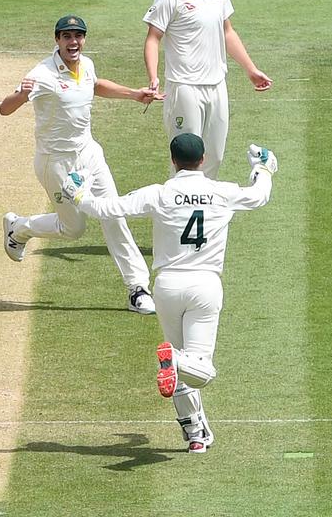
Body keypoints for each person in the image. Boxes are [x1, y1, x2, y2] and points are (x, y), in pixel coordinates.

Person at [61, 134, 278, 454]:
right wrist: (263, 168)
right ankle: (174, 360)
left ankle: (196, 435)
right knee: (199, 367)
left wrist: (78, 195)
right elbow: (259, 196)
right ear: (203, 160)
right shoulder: (222, 192)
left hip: (166, 287)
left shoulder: (158, 194)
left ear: (173, 160)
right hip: (205, 286)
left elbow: (108, 208)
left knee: (187, 366)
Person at [0, 15, 160, 315]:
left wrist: (134, 94)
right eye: (67, 37)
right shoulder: (43, 74)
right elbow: (4, 109)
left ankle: (137, 288)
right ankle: (19, 228)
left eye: (78, 36)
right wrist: (20, 95)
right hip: (55, 162)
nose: (74, 42)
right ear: (57, 40)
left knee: (114, 213)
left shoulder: (86, 65)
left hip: (88, 154)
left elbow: (96, 86)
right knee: (73, 229)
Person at [143, 0, 272, 179]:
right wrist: (153, 77)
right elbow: (152, 38)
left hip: (216, 85)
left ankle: (205, 214)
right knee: (186, 161)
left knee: (214, 157)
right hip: (184, 87)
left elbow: (227, 31)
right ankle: (179, 215)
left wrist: (251, 69)